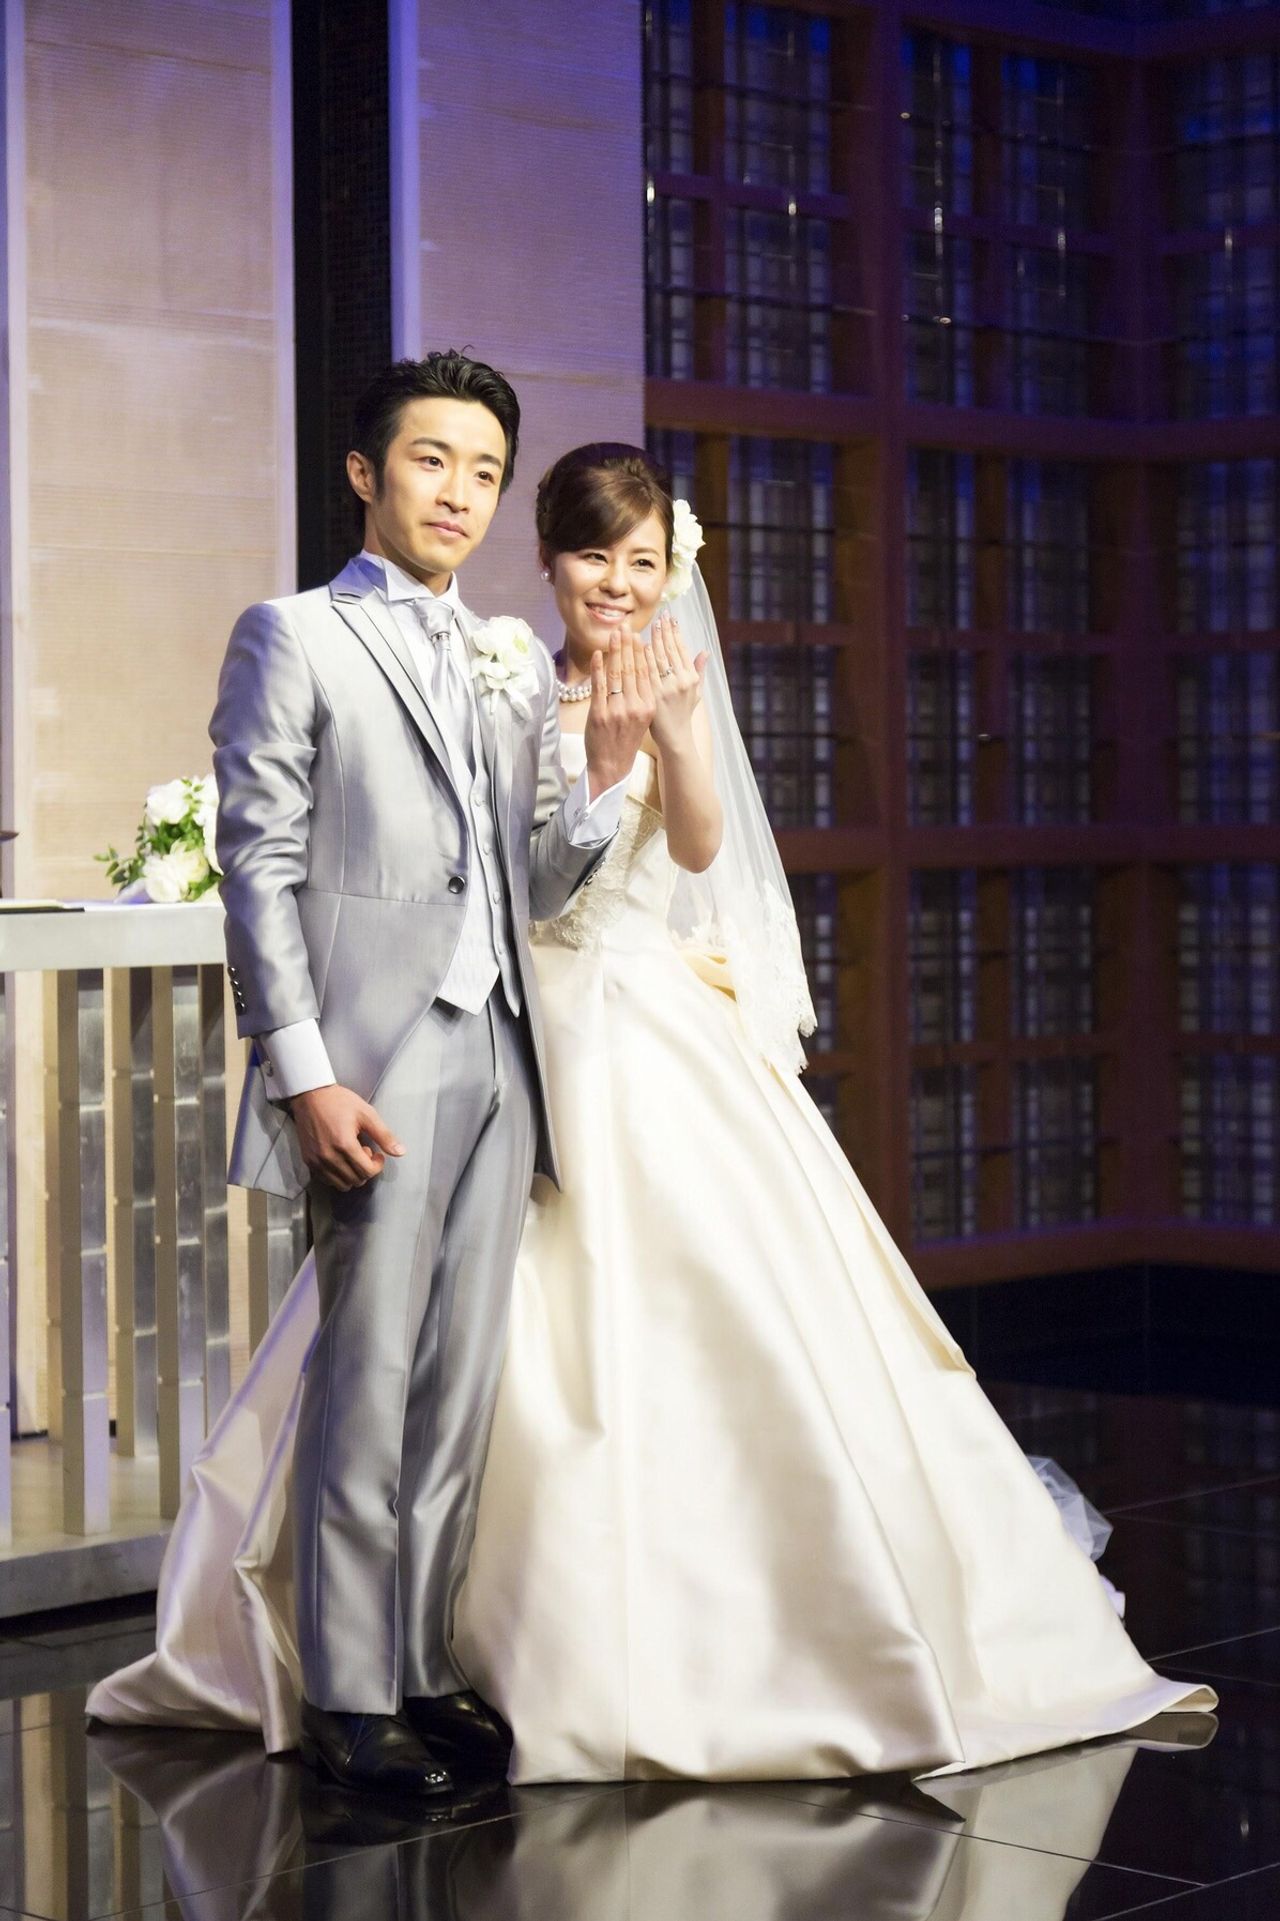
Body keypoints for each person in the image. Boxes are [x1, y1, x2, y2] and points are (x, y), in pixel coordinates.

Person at [88, 445, 1215, 1784]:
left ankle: (591, 1645)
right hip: (496, 1017)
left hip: (630, 1016)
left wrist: (659, 739)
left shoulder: (668, 679)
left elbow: (696, 850)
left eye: (642, 562)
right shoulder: (505, 673)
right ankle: (394, 1652)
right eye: (592, 557)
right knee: (410, 1340)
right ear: (549, 561)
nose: (617, 584)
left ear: (670, 570)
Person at [192, 357, 654, 1799]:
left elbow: (529, 879)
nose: (461, 493)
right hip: (372, 1065)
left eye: (485, 471)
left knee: (459, 1381)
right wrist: (306, 1074)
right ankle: (346, 1687)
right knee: (369, 1369)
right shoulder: (293, 635)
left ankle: (422, 1664)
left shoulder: (503, 657)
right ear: (365, 472)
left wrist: (604, 777)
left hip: (501, 1051)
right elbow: (257, 870)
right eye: (432, 460)